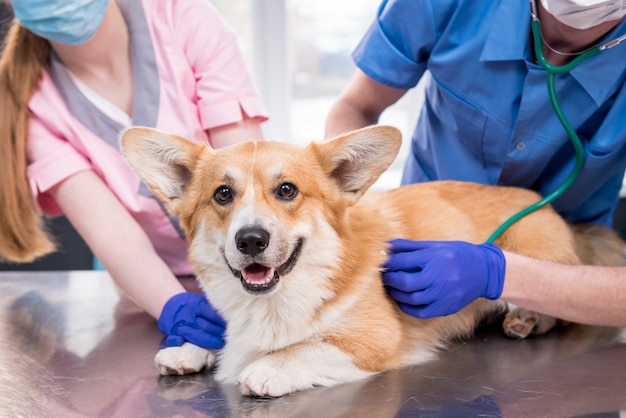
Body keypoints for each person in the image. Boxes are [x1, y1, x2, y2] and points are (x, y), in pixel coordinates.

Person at [325, 0, 626, 326]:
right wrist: (347, 203)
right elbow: (355, 106)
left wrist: (496, 274)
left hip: (564, 284)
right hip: (418, 258)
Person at [0, 0, 268, 350]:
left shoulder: (180, 15)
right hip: (155, 284)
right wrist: (173, 306)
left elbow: (248, 175)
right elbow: (112, 234)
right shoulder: (31, 104)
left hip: (252, 262)